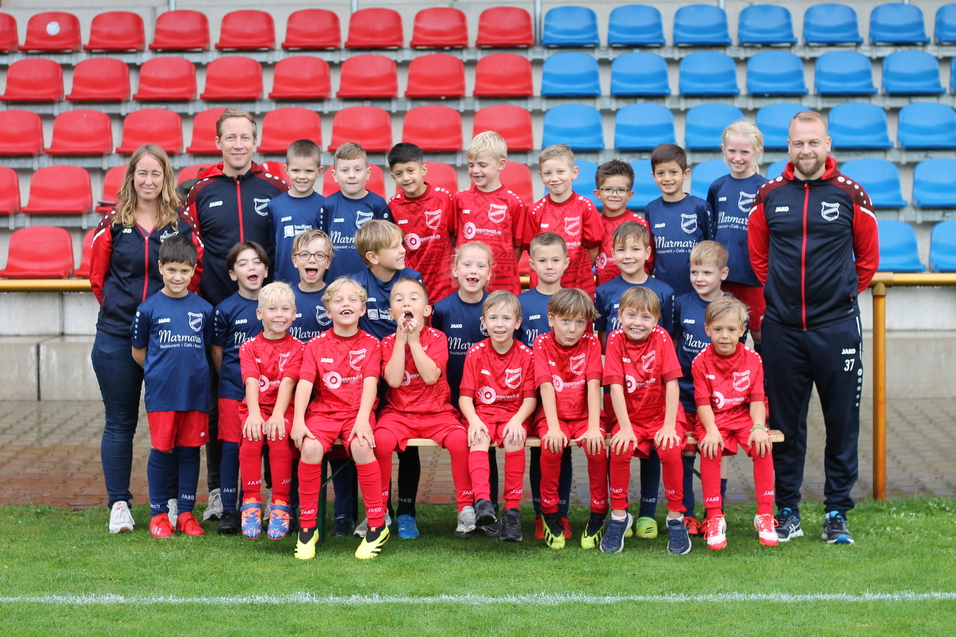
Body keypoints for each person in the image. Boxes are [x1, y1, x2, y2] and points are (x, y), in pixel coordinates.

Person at [749, 110, 879, 545]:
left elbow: (867, 260)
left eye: (814, 142)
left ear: (827, 145)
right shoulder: (769, 195)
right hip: (783, 330)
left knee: (841, 422)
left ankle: (837, 512)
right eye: (798, 143)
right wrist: (782, 299)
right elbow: (759, 258)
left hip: (837, 328)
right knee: (785, 423)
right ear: (789, 147)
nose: (806, 150)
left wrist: (839, 298)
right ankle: (787, 509)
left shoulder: (851, 194)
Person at [90, 144, 203, 534]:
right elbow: (97, 277)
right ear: (132, 177)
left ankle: (171, 504)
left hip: (170, 342)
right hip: (116, 336)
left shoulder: (181, 224)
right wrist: (125, 312)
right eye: (143, 174)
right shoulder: (112, 224)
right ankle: (118, 503)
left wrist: (168, 317)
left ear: (166, 178)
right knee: (120, 421)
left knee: (168, 422)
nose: (149, 181)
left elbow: (196, 273)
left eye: (157, 174)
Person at [182, 108, 288, 518]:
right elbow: (189, 251)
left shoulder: (275, 187)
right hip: (218, 313)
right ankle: (217, 491)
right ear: (218, 143)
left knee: (270, 398)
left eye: (245, 137)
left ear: (255, 142)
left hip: (267, 315)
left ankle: (261, 492)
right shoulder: (199, 189)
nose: (238, 145)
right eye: (231, 137)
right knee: (219, 404)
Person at [291, 277, 389, 560]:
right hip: (324, 412)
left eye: (353, 300)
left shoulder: (372, 344)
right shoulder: (315, 345)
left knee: (361, 446)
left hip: (357, 412)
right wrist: (298, 420)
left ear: (362, 309)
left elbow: (371, 382)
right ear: (328, 310)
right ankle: (308, 529)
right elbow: (305, 384)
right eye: (338, 300)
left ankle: (376, 525)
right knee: (309, 448)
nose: (346, 304)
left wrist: (362, 418)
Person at [372, 278, 476, 537]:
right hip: (399, 413)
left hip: (436, 411)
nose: (406, 302)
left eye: (414, 298)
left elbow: (431, 376)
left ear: (427, 311)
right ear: (390, 313)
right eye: (398, 299)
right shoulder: (386, 342)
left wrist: (414, 341)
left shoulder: (438, 337)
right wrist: (400, 340)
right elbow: (394, 380)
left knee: (459, 439)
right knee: (381, 441)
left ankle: (465, 508)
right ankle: (380, 509)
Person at [593, 221, 675, 540]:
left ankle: (647, 513)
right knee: (623, 447)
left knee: (654, 448)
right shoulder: (603, 291)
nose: (629, 256)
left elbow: (667, 339)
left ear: (648, 253)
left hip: (653, 390)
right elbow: (601, 342)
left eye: (635, 249)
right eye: (622, 250)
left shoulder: (664, 292)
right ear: (612, 253)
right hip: (619, 388)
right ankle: (620, 512)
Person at [130, 234, 213, 538]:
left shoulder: (203, 309)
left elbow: (204, 349)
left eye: (185, 271)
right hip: (163, 395)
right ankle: (159, 514)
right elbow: (139, 352)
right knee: (162, 451)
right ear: (161, 267)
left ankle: (186, 514)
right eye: (172, 270)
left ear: (193, 271)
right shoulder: (148, 309)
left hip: (194, 394)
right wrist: (158, 373)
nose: (178, 277)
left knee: (191, 452)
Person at [603, 287, 690, 555]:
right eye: (631, 315)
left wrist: (668, 425)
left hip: (663, 415)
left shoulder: (662, 338)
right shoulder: (615, 339)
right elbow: (615, 387)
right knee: (619, 449)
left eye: (645, 317)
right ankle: (619, 516)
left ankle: (675, 518)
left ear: (656, 320)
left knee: (671, 451)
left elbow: (672, 384)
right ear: (620, 315)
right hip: (631, 417)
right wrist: (625, 427)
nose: (637, 323)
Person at [351, 220, 424, 539]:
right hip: (368, 373)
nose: (403, 249)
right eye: (394, 246)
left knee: (408, 445)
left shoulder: (412, 279)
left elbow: (420, 323)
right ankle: (379, 511)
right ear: (373, 256)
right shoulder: (356, 284)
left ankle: (407, 512)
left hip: (405, 368)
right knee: (372, 443)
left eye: (402, 243)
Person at [692, 297, 776, 550]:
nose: (724, 336)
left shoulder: (753, 359)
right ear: (707, 330)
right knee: (710, 448)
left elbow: (757, 399)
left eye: (731, 330)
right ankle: (714, 515)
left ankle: (764, 514)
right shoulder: (700, 361)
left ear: (742, 330)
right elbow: (703, 404)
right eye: (718, 329)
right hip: (714, 418)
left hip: (743, 416)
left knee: (763, 446)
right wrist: (711, 430)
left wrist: (759, 427)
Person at [459, 291, 537, 542]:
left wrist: (516, 420)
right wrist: (474, 421)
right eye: (493, 318)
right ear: (484, 322)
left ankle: (512, 511)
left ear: (518, 322)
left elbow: (530, 399)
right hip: (483, 413)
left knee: (515, 439)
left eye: (506, 318)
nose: (500, 324)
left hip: (514, 414)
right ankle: (483, 502)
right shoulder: (475, 352)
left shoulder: (526, 354)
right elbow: (464, 398)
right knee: (478, 438)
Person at [533, 289, 607, 550]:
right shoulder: (541, 343)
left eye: (580, 322)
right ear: (551, 318)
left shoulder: (591, 343)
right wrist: (553, 427)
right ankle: (550, 514)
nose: (573, 329)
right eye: (566, 321)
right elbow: (545, 387)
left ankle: (598, 514)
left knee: (596, 449)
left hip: (586, 414)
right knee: (551, 449)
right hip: (554, 415)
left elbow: (594, 384)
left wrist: (594, 427)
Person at [673, 240, 733, 534]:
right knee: (685, 449)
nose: (699, 278)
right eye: (695, 271)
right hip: (685, 394)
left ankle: (714, 514)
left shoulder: (731, 307)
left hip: (718, 398)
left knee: (713, 449)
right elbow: (672, 347)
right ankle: (687, 513)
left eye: (707, 272)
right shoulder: (682, 302)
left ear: (723, 273)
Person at [237, 282, 304, 541]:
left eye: (285, 309)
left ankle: (280, 504)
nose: (279, 314)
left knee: (278, 438)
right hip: (256, 405)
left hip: (284, 409)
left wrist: (277, 415)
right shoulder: (249, 346)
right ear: (259, 314)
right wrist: (254, 414)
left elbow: (288, 381)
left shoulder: (298, 347)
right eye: (272, 308)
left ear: (294, 313)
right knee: (252, 438)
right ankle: (251, 502)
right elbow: (251, 380)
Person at [518, 232, 575, 540]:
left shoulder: (574, 301)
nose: (549, 266)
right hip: (528, 393)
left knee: (560, 450)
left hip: (565, 393)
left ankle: (560, 514)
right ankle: (541, 514)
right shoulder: (521, 302)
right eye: (543, 260)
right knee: (538, 453)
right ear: (531, 264)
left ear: (566, 263)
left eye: (555, 260)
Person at [210, 241, 268, 534]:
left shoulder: (275, 304)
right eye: (243, 264)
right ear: (233, 274)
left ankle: (261, 503)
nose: (251, 268)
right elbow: (218, 352)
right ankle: (230, 510)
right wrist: (237, 382)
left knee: (266, 449)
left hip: (270, 394)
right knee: (232, 449)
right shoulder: (225, 309)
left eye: (256, 262)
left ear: (266, 269)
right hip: (233, 392)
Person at [707, 121, 767, 350]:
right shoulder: (717, 186)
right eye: (732, 151)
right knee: (728, 334)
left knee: (761, 334)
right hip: (725, 278)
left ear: (758, 152)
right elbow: (712, 229)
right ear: (723, 149)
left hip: (755, 277)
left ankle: (766, 384)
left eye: (745, 152)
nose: (738, 157)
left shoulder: (766, 188)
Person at [451, 131, 525, 295]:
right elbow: (454, 239)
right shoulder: (460, 199)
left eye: (482, 165)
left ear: (501, 164)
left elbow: (517, 247)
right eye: (471, 165)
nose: (475, 170)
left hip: (503, 284)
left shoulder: (513, 202)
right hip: (468, 285)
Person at [524, 144, 604, 296]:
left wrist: (576, 270)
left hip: (578, 286)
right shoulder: (535, 210)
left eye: (560, 171)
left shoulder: (585, 207)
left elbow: (593, 248)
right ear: (541, 176)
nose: (554, 178)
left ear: (574, 172)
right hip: (544, 288)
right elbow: (531, 250)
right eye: (548, 173)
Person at [387, 142, 456, 302]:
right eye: (399, 173)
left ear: (423, 169)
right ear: (393, 177)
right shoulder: (393, 206)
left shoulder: (444, 198)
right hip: (412, 282)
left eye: (411, 171)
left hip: (445, 284)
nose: (406, 178)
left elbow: (455, 237)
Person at [643, 144, 713, 297]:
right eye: (660, 173)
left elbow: (711, 249)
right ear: (653, 175)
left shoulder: (700, 207)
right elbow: (650, 253)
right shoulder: (651, 209)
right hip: (663, 292)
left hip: (696, 291)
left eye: (673, 172)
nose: (667, 178)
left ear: (685, 173)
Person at [320, 142, 392, 282]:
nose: (352, 175)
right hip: (335, 281)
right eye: (345, 170)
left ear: (368, 173)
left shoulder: (378, 204)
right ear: (334, 175)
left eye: (357, 170)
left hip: (371, 281)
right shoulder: (328, 205)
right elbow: (323, 246)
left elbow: (387, 246)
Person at [269, 139, 325, 285]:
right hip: (283, 282)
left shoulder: (325, 206)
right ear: (286, 169)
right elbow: (275, 245)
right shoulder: (275, 205)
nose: (302, 176)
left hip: (315, 283)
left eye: (309, 171)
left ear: (319, 171)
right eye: (296, 170)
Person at [593, 159, 654, 286]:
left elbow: (650, 263)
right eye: (608, 189)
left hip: (637, 296)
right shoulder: (594, 224)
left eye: (621, 190)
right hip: (605, 298)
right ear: (598, 193)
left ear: (630, 195)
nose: (614, 194)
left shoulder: (640, 224)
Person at [287, 229, 334, 343]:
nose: (312, 260)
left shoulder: (336, 298)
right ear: (295, 260)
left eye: (319, 255)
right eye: (304, 254)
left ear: (328, 262)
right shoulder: (285, 298)